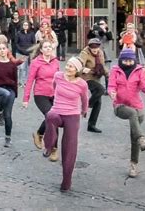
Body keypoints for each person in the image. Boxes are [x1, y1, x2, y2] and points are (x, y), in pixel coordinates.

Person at [42, 57, 88, 192]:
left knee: (69, 149)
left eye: (71, 67)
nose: (68, 68)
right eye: (67, 65)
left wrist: (84, 111)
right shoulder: (58, 76)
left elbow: (84, 99)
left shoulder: (82, 84)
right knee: (50, 116)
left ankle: (66, 181)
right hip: (57, 112)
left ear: (77, 70)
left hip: (72, 116)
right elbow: (54, 87)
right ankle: (49, 146)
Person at [107, 49, 145, 178]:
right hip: (120, 106)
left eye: (130, 60)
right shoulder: (115, 70)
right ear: (121, 60)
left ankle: (134, 165)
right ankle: (142, 138)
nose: (128, 63)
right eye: (125, 60)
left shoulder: (139, 71)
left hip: (137, 105)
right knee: (132, 114)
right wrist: (112, 92)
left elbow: (144, 85)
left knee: (134, 136)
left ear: (134, 60)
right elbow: (111, 85)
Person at [22, 40, 60, 159]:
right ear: (41, 50)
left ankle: (42, 137)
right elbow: (30, 80)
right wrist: (26, 98)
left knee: (55, 119)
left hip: (54, 94)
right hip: (40, 94)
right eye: (46, 47)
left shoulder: (55, 62)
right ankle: (51, 146)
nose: (48, 49)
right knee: (51, 116)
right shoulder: (36, 62)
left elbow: (59, 79)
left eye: (50, 47)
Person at [0, 42, 18, 147]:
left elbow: (15, 79)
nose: (2, 51)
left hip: (10, 90)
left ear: (7, 50)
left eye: (4, 48)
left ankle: (7, 138)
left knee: (8, 115)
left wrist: (15, 94)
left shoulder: (12, 65)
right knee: (5, 93)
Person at [79, 38, 108, 133]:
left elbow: (103, 66)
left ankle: (91, 125)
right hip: (86, 78)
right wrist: (83, 69)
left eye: (96, 49)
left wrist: (109, 75)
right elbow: (79, 65)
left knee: (98, 103)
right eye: (93, 49)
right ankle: (87, 105)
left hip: (96, 77)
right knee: (101, 90)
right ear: (89, 47)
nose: (95, 50)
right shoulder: (84, 53)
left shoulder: (100, 52)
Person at [16, 21, 36, 87]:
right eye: (24, 24)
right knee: (21, 68)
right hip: (20, 53)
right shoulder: (19, 33)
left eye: (27, 25)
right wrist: (21, 50)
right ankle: (19, 81)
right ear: (22, 25)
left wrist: (29, 51)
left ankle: (25, 82)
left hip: (29, 53)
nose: (25, 26)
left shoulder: (32, 33)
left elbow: (34, 43)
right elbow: (16, 43)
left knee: (27, 68)